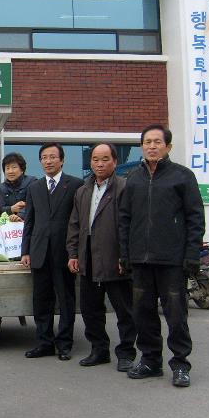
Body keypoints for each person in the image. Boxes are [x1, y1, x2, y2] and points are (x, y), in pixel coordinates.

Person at [119, 124, 205, 387]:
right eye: (147, 142)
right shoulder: (133, 178)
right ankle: (150, 361)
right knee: (143, 314)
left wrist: (191, 255)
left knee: (176, 316)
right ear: (141, 146)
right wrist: (125, 254)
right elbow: (125, 219)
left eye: (157, 142)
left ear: (168, 146)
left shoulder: (182, 176)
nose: (152, 146)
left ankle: (180, 365)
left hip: (172, 260)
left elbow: (195, 218)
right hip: (141, 261)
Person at [66, 143, 136, 372]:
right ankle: (99, 350)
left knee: (124, 311)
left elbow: (130, 226)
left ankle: (126, 353)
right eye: (95, 159)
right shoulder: (83, 190)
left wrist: (125, 256)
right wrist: (73, 253)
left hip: (115, 259)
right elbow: (75, 224)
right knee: (90, 309)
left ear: (115, 162)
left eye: (105, 159)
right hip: (88, 258)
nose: (99, 164)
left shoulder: (124, 187)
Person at [21, 143, 83, 361]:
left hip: (64, 253)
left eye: (53, 157)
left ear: (62, 160)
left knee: (65, 300)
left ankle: (64, 344)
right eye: (44, 157)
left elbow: (79, 221)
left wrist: (75, 252)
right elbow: (29, 221)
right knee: (41, 300)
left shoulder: (75, 185)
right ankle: (44, 342)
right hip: (39, 253)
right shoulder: (34, 187)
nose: (48, 161)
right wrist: (25, 250)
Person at [0, 152, 36, 221]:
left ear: (22, 170)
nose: (10, 171)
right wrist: (11, 209)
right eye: (7, 168)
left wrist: (19, 215)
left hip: (29, 222)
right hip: (9, 225)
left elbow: (34, 204)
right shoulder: (2, 187)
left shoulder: (32, 182)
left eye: (14, 167)